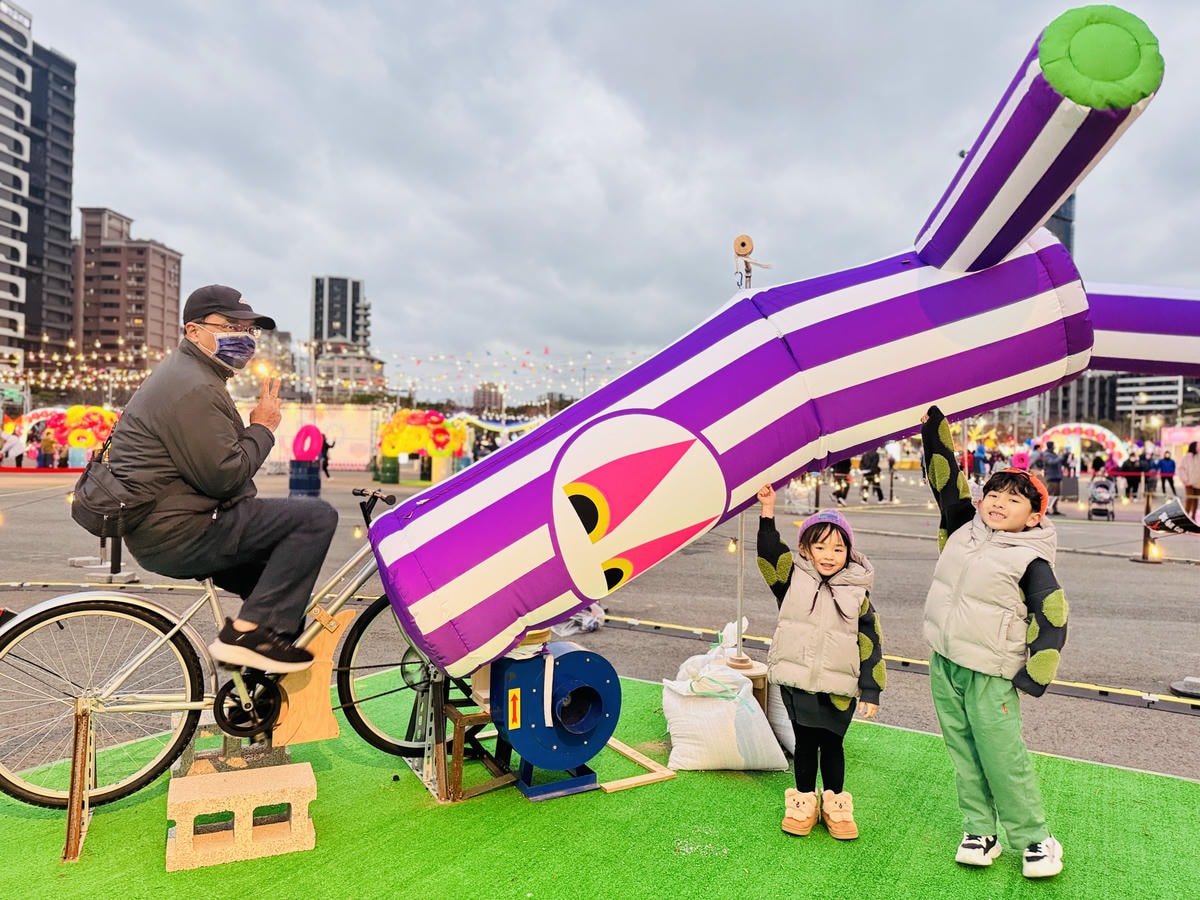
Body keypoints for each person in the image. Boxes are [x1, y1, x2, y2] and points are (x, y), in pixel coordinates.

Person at [105, 284, 340, 673]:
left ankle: (255, 692)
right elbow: (225, 477)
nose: (244, 338)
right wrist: (262, 427)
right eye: (231, 327)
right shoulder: (193, 386)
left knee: (283, 604)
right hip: (180, 531)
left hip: (166, 525)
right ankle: (246, 634)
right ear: (193, 331)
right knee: (316, 517)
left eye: (249, 330)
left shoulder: (193, 375)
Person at [920, 405, 1067, 880]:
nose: (999, 502)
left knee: (1003, 758)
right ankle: (980, 831)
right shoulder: (963, 527)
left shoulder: (1031, 559)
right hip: (945, 663)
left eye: (1014, 499)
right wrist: (934, 431)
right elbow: (945, 481)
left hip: (991, 673)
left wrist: (1034, 675)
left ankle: (1035, 839)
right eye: (995, 493)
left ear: (1034, 516)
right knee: (963, 753)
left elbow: (1052, 616)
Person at [755, 487, 884, 841]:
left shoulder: (857, 591)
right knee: (804, 742)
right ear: (805, 549)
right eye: (821, 547)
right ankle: (803, 802)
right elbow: (769, 554)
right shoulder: (791, 579)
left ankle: (835, 804)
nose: (829, 555)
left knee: (833, 743)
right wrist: (768, 510)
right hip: (798, 682)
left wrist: (871, 690)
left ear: (849, 553)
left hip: (839, 687)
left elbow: (870, 642)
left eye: (838, 549)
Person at [1041, 441, 1064, 516]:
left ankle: (1055, 508)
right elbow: (1052, 462)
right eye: (1054, 445)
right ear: (1051, 446)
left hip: (1057, 477)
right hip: (1051, 477)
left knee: (1056, 494)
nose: (1055, 447)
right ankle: (1045, 509)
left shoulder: (1054, 454)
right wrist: (1060, 457)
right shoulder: (1047, 454)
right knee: (1050, 493)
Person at [1180, 441, 1200, 520]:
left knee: (1195, 499)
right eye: (1198, 446)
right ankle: (1186, 516)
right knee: (1189, 499)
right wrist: (1185, 480)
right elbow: (1181, 468)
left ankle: (1193, 516)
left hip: (1198, 483)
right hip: (1188, 483)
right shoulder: (1187, 457)